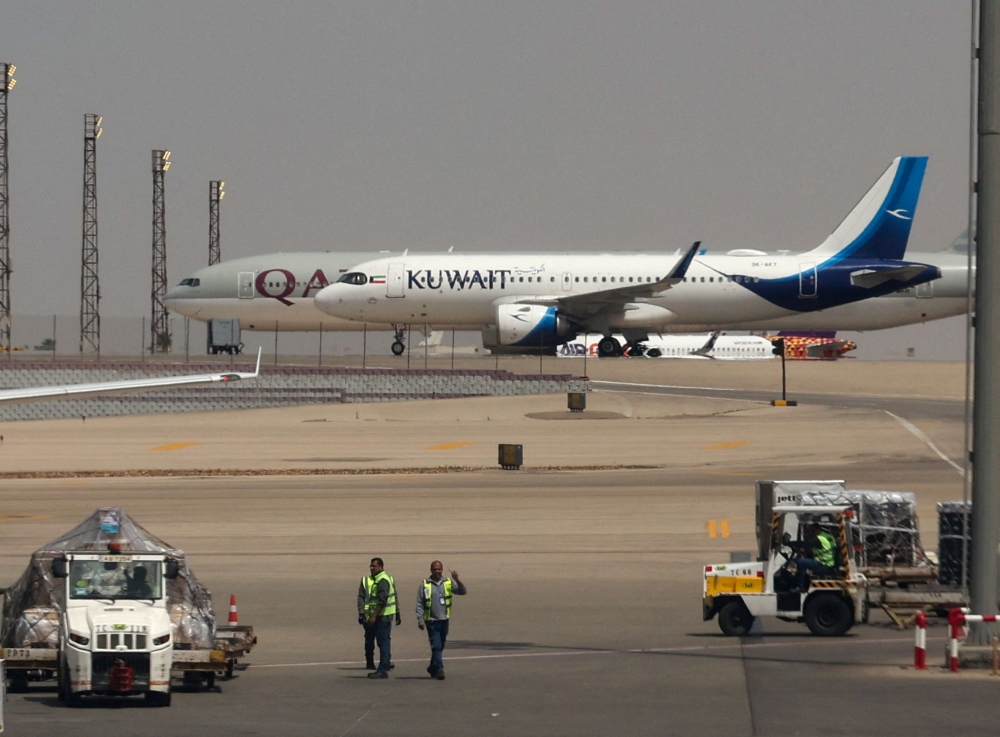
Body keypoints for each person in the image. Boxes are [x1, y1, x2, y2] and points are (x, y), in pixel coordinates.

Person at [415, 560, 467, 680]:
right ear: (431, 570)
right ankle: (439, 669)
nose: (437, 572)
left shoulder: (448, 582)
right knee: (436, 646)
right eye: (435, 569)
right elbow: (419, 603)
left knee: (441, 645)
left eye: (439, 569)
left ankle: (433, 666)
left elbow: (463, 591)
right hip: (431, 621)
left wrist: (457, 579)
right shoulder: (425, 584)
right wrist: (420, 619)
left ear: (442, 570)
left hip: (444, 620)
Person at [366, 558, 398, 679]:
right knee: (384, 642)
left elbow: (382, 600)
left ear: (380, 566)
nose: (372, 568)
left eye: (374, 566)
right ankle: (384, 665)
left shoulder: (382, 580)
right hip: (385, 615)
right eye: (371, 566)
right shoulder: (384, 578)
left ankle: (383, 668)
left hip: (383, 616)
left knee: (383, 642)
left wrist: (374, 615)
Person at [794, 522, 837, 591]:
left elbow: (805, 544)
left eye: (813, 531)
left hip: (823, 565)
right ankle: (805, 582)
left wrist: (790, 543)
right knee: (805, 560)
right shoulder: (828, 536)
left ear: (818, 530)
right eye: (810, 531)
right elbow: (820, 550)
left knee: (801, 562)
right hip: (829, 564)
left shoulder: (819, 539)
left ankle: (800, 587)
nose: (811, 533)